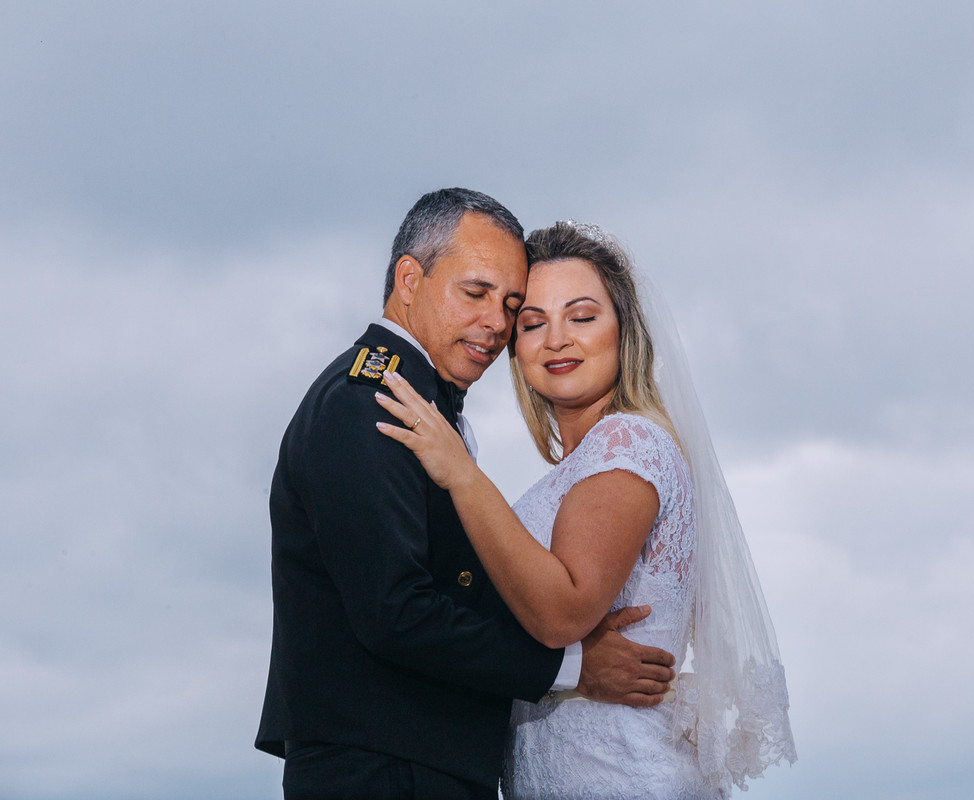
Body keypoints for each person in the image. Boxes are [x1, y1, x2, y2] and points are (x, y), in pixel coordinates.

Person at [255, 190, 678, 800]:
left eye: (510, 306)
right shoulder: (370, 399)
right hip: (383, 768)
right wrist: (576, 667)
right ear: (409, 279)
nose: (496, 324)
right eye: (475, 293)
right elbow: (396, 611)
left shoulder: (414, 400)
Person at [375, 220, 797, 799]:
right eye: (533, 323)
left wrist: (460, 475)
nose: (557, 340)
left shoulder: (629, 444)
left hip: (619, 775)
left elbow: (561, 610)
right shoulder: (575, 471)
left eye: (582, 316)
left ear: (624, 330)